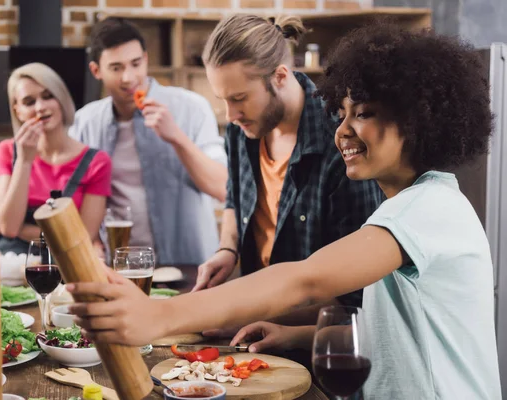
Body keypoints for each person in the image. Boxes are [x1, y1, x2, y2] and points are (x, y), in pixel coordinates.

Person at [66, 21, 501, 399]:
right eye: (342, 113)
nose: (343, 131)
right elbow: (394, 326)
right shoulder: (404, 207)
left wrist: (159, 316)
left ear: (418, 121)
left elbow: (306, 278)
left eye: (363, 114)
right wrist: (297, 333)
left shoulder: (427, 210)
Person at [190, 14, 382, 321]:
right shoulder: (243, 131)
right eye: (223, 100)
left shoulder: (342, 143)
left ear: (280, 76)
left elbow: (359, 291)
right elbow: (233, 198)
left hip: (319, 340)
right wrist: (227, 250)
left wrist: (259, 318)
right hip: (254, 325)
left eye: (239, 98)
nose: (231, 114)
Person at [69, 17, 228, 265]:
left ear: (145, 59)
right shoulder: (85, 121)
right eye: (116, 67)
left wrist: (176, 138)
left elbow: (222, 187)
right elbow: (77, 200)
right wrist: (93, 242)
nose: (128, 78)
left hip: (187, 265)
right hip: (118, 267)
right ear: (96, 71)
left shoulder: (192, 108)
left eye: (135, 63)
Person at [0, 63, 111, 254]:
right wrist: (24, 161)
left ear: (61, 98)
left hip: (64, 266)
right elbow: (9, 228)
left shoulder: (96, 162)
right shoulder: (8, 152)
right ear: (17, 110)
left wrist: (23, 230)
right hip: (10, 262)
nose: (40, 107)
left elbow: (84, 239)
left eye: (48, 96)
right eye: (29, 102)